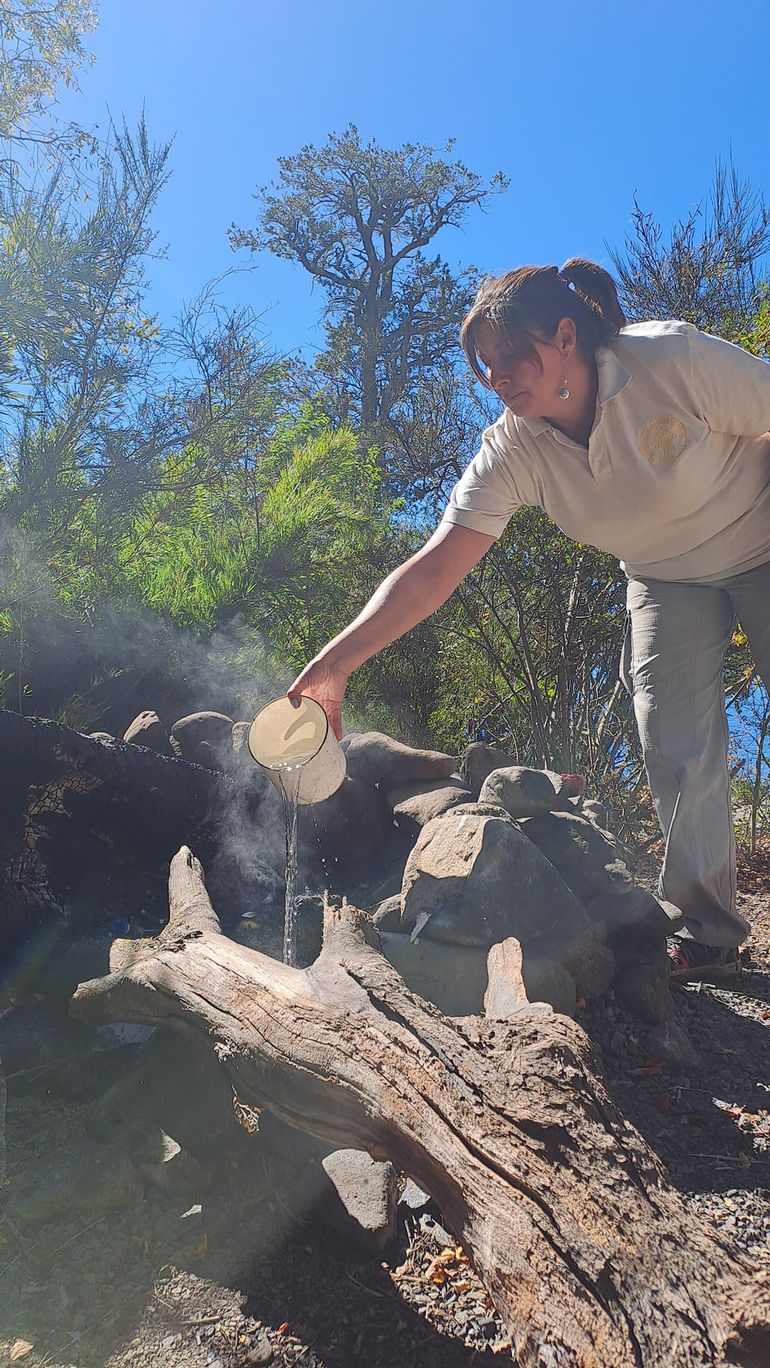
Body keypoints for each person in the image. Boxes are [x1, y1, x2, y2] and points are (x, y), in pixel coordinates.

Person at [288, 259, 770, 982]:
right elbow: (432, 570)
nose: (500, 377)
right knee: (671, 733)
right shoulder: (513, 450)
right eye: (486, 367)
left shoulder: (669, 360)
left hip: (760, 536)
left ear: (566, 335)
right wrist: (334, 666)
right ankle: (707, 929)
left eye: (514, 357)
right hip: (664, 576)